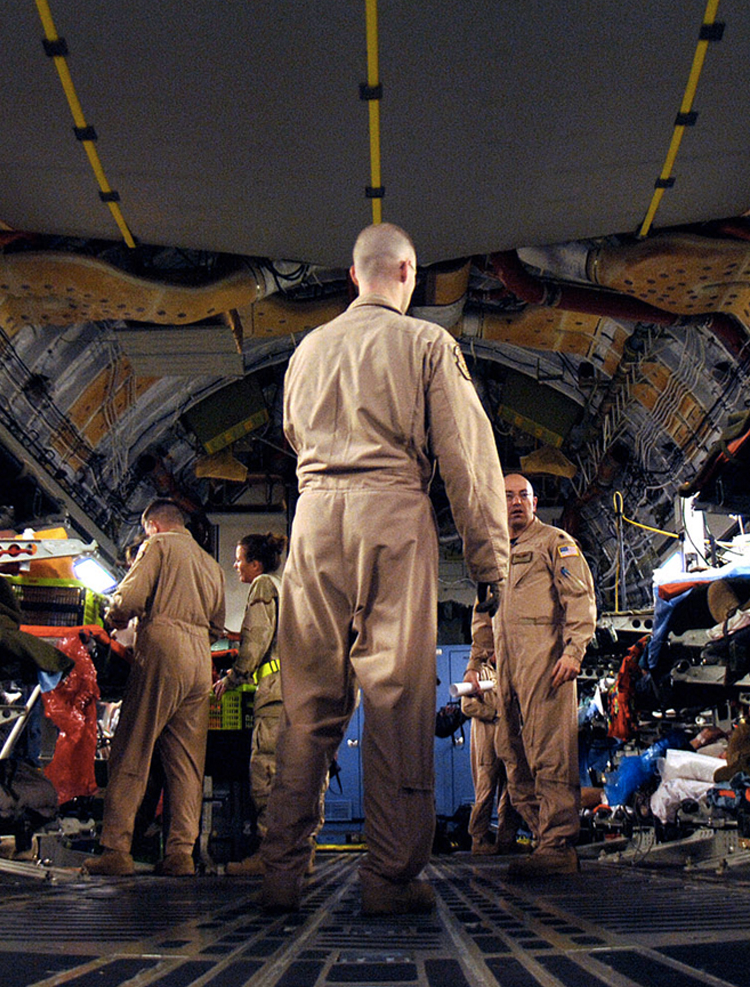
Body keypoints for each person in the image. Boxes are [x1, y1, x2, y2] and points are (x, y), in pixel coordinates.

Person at [256, 223, 508, 915]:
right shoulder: (427, 344)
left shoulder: (307, 349)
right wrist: (490, 562)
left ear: (351, 276)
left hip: (311, 523)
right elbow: (466, 460)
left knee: (308, 708)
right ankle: (391, 878)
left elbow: (292, 434)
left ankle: (281, 872)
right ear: (408, 275)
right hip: (391, 514)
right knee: (396, 700)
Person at [82, 499, 225, 877]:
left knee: (132, 748)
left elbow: (128, 599)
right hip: (200, 658)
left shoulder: (158, 546)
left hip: (163, 644)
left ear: (155, 526)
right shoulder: (211, 564)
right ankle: (181, 853)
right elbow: (218, 624)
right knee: (187, 764)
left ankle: (116, 849)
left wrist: (114, 616)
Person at [464, 473, 596, 877]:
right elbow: (483, 620)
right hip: (506, 672)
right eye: (507, 496)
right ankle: (546, 838)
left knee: (549, 755)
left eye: (524, 495)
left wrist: (574, 651)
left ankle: (559, 844)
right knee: (511, 756)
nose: (516, 502)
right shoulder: (494, 558)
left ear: (535, 504)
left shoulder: (554, 543)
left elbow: (579, 597)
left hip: (546, 664)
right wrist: (475, 664)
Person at [219, 532, 297, 875]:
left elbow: (255, 640)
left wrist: (234, 677)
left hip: (275, 696)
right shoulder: (286, 588)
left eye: (240, 559)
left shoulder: (264, 586)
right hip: (296, 693)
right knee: (300, 777)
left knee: (267, 774)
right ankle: (299, 857)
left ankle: (270, 858)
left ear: (256, 563)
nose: (236, 565)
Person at [459, 670, 530, 855]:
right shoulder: (478, 672)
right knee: (486, 789)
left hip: (510, 739)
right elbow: (467, 706)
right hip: (487, 740)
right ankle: (478, 839)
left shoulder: (510, 667)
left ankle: (507, 839)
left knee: (511, 788)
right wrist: (495, 713)